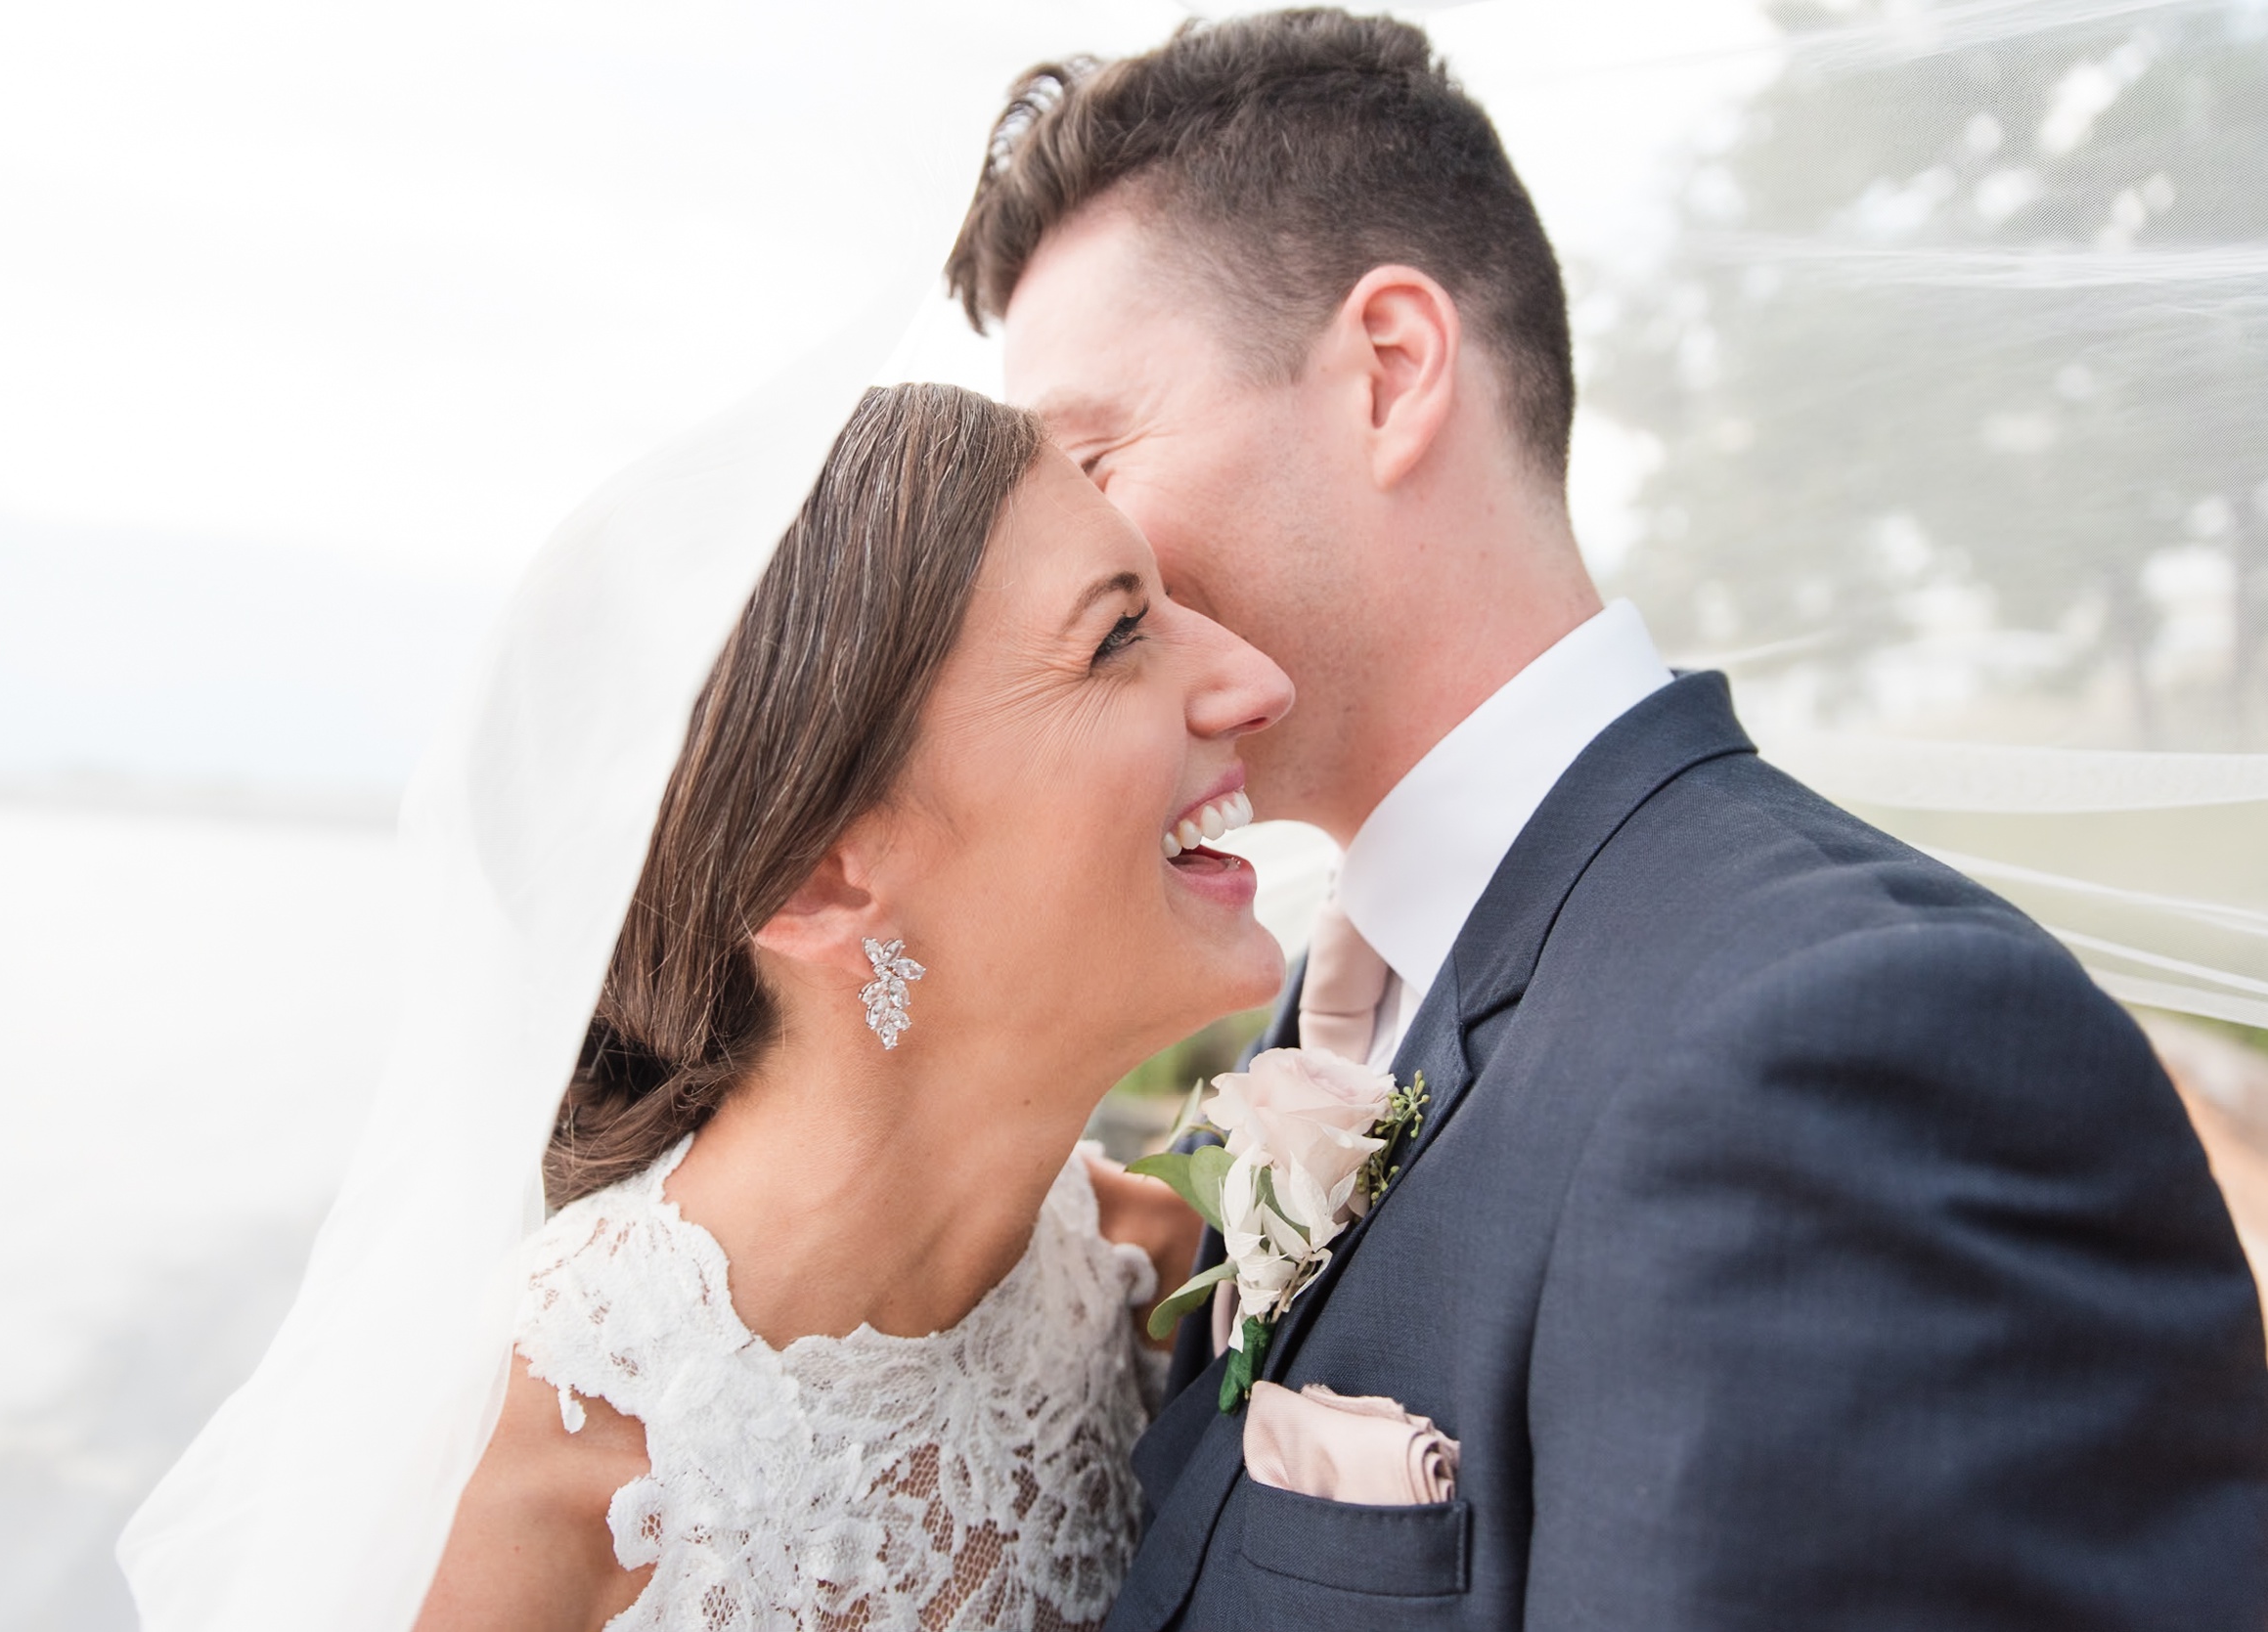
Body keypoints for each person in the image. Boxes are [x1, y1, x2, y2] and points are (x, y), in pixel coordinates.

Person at [947, 11, 2268, 1628]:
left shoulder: (1828, 1052)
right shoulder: (1340, 1003)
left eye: (1095, 452)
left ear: (1390, 371)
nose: (1070, 559)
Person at [412, 381, 1283, 1630]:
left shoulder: (1160, 1286)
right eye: (1112, 635)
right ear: (822, 872)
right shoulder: (522, 1480)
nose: (1255, 680)